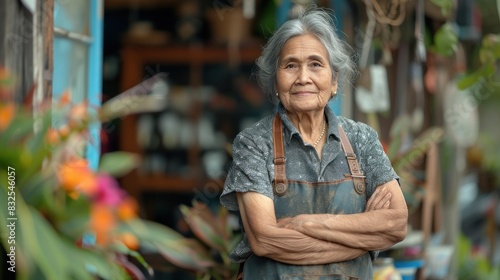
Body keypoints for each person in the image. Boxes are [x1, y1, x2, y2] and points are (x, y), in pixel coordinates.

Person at [220, 7, 408, 279]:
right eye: (291, 65)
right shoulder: (254, 143)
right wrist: (361, 240)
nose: (303, 78)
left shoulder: (361, 139)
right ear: (276, 81)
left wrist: (308, 222)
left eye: (316, 64)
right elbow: (264, 240)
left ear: (333, 81)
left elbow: (396, 224)